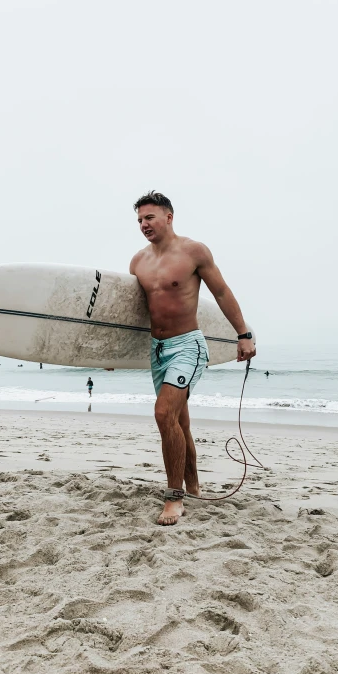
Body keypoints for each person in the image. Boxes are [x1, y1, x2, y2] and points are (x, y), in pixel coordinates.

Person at [130, 191, 256, 526]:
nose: (144, 225)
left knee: (162, 414)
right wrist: (113, 352)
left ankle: (174, 499)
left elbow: (221, 292)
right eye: (140, 220)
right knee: (178, 423)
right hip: (157, 349)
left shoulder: (193, 252)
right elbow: (135, 313)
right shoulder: (138, 262)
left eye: (150, 218)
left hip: (188, 345)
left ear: (169, 217)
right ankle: (194, 487)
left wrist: (242, 334)